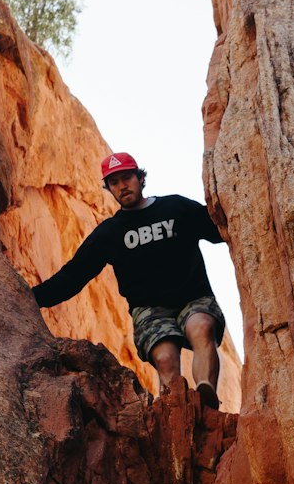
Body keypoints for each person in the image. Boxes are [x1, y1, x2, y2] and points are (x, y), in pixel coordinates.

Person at [32, 152, 226, 408]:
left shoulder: (176, 208)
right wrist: (31, 297)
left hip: (194, 297)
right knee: (165, 357)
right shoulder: (109, 233)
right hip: (150, 309)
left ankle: (206, 397)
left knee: (201, 328)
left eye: (127, 177)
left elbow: (220, 228)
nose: (122, 186)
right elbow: (74, 275)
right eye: (114, 182)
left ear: (140, 178)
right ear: (109, 188)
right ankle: (175, 415)